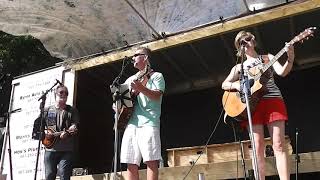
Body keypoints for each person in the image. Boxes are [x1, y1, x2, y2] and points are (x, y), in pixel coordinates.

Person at [221, 30, 294, 180]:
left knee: (279, 144)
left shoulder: (268, 58)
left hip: (273, 101)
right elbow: (224, 84)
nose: (245, 43)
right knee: (257, 148)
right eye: (241, 42)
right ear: (238, 47)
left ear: (253, 41)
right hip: (252, 106)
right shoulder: (238, 68)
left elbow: (282, 72)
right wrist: (238, 86)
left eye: (248, 39)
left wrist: (290, 58)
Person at [119, 47, 165, 180]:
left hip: (149, 123)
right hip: (131, 124)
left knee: (151, 161)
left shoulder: (157, 76)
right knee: (131, 162)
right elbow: (123, 99)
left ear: (145, 57)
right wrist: (116, 106)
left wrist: (141, 88)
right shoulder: (130, 79)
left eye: (136, 55)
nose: (132, 58)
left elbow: (157, 96)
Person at [43, 85, 80, 180]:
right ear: (56, 94)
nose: (64, 94)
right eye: (61, 92)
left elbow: (75, 126)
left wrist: (67, 132)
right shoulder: (47, 110)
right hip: (50, 149)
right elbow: (38, 127)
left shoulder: (72, 110)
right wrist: (44, 133)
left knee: (64, 175)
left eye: (66, 93)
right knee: (49, 175)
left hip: (66, 149)